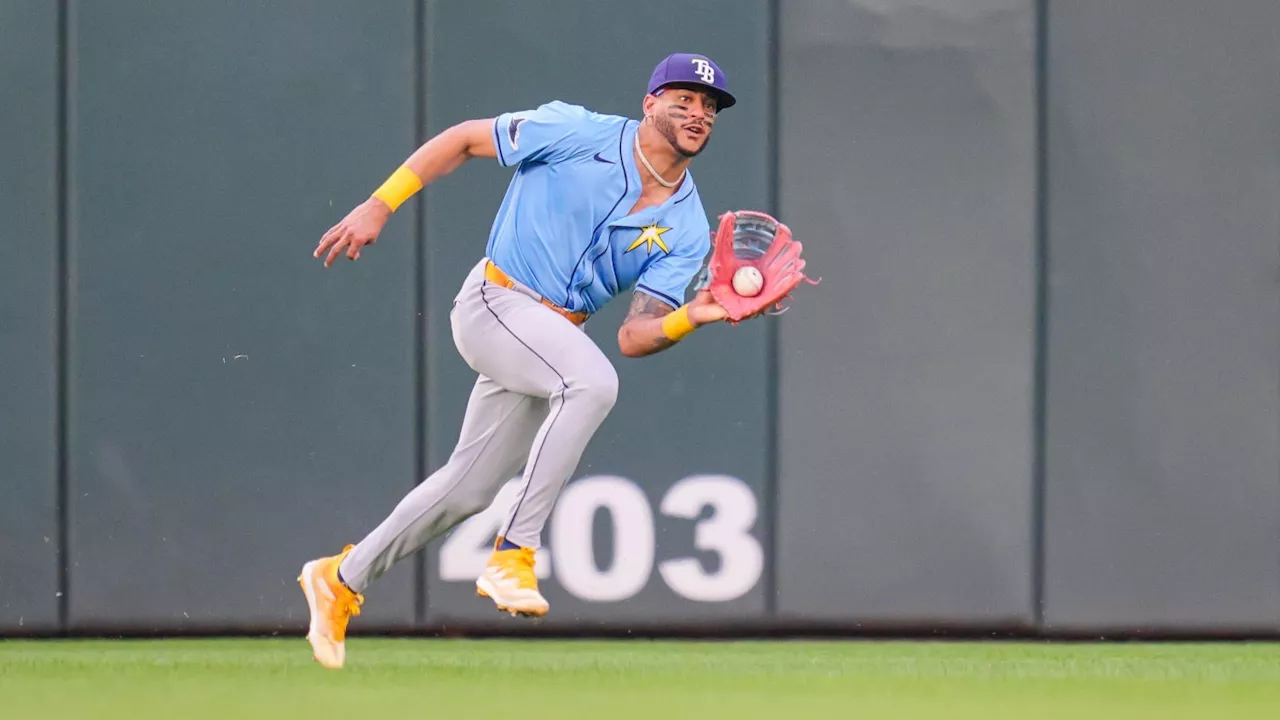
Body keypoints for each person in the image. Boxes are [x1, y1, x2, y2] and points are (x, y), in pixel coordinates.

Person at [298, 53, 737, 669]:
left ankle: (340, 578)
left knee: (468, 487)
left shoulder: (687, 223)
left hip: (553, 340)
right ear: (650, 103)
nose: (698, 114)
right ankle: (514, 553)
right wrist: (381, 203)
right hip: (496, 299)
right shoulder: (578, 132)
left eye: (710, 107)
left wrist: (694, 314)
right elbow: (464, 140)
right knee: (590, 384)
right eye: (683, 99)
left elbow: (636, 335)